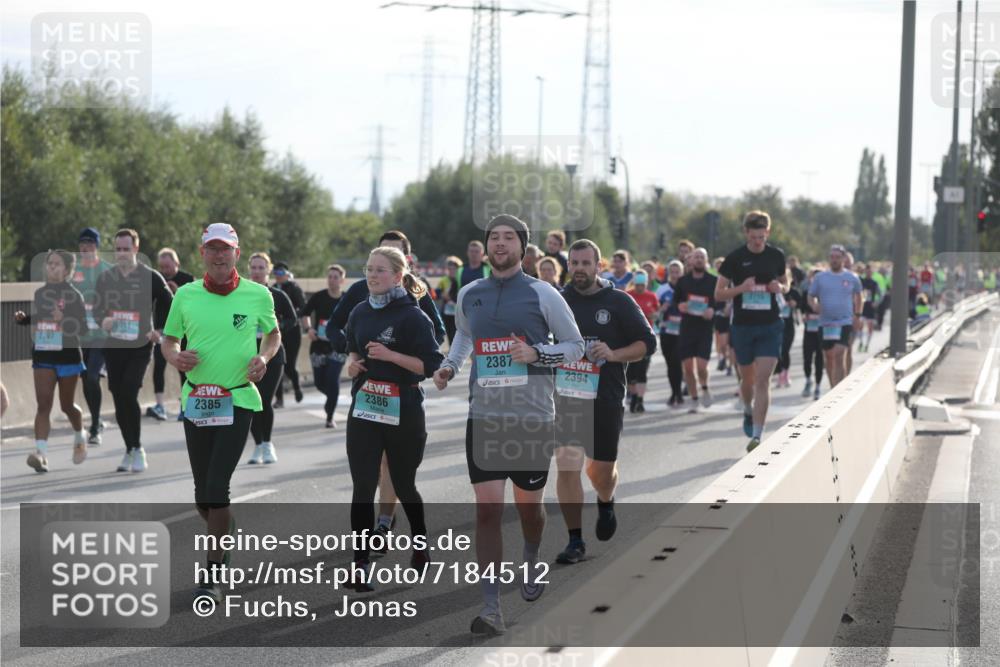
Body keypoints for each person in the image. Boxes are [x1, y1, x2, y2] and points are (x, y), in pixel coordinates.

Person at [433, 214, 584, 636]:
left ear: (523, 247)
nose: (500, 244)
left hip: (533, 417)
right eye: (494, 238)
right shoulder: (469, 292)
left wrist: (538, 355)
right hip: (484, 416)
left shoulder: (544, 294)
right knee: (487, 511)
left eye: (508, 238)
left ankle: (532, 557)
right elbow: (463, 335)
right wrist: (449, 366)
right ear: (486, 246)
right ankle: (491, 607)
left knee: (529, 509)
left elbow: (575, 347)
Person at [162, 223, 280, 602]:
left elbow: (274, 333)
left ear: (236, 253)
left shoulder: (258, 294)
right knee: (202, 494)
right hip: (196, 399)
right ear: (202, 254)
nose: (218, 255)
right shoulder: (186, 295)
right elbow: (168, 339)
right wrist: (174, 356)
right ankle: (223, 525)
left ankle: (211, 575)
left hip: (238, 399)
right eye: (212, 249)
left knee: (217, 486)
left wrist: (263, 356)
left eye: (224, 249)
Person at [328, 230, 445, 543]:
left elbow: (436, 343)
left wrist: (393, 354)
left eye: (383, 267)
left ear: (402, 268)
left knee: (397, 474)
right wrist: (353, 359)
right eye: (370, 267)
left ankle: (393, 524)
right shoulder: (359, 300)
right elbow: (340, 329)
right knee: (366, 479)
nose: (373, 274)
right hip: (366, 400)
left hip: (403, 401)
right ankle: (363, 555)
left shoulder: (415, 304)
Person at [554, 239, 655, 564]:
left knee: (600, 472)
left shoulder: (618, 302)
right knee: (567, 464)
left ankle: (606, 500)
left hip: (606, 396)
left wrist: (613, 354)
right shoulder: (556, 300)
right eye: (575, 263)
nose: (579, 269)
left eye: (586, 263)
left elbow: (647, 343)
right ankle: (575, 540)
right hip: (566, 396)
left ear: (599, 266)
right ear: (568, 265)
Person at [92, 228, 173, 473]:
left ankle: (138, 449)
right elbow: (97, 308)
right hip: (115, 345)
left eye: (126, 249)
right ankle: (129, 449)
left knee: (128, 391)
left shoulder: (150, 276)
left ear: (136, 249)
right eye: (118, 249)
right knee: (118, 397)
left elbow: (170, 302)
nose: (122, 254)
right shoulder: (107, 278)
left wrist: (160, 330)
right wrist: (102, 320)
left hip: (140, 346)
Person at [714, 211, 788, 453]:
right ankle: (747, 407)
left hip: (770, 324)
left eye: (762, 236)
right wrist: (741, 289)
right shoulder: (735, 259)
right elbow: (718, 293)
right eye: (754, 236)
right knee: (747, 379)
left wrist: (781, 287)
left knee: (762, 379)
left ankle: (757, 435)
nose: (758, 241)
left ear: (768, 233)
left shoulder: (776, 255)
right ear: (746, 233)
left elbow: (786, 285)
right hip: (743, 326)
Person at [15, 250, 90, 472]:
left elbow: (83, 328)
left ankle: (79, 434)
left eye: (57, 264)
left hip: (67, 356)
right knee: (43, 405)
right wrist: (25, 319)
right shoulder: (40, 294)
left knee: (67, 406)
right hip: (43, 353)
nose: (52, 267)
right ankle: (41, 454)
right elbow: (42, 317)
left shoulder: (74, 295)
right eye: (49, 264)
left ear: (67, 270)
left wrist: (64, 319)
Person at [245, 253, 297, 464]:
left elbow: (292, 319)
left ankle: (267, 444)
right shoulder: (242, 295)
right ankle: (257, 446)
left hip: (273, 355)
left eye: (261, 268)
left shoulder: (277, 295)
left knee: (264, 400)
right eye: (254, 268)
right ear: (249, 270)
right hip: (247, 355)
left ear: (268, 270)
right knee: (250, 402)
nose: (257, 272)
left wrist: (274, 330)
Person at [72, 227, 114, 445]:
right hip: (81, 335)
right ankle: (96, 420)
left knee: (91, 376)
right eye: (82, 243)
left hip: (102, 334)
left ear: (97, 246)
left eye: (89, 243)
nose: (85, 247)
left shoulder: (108, 270)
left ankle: (95, 425)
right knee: (87, 380)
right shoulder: (73, 271)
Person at [149, 247, 195, 421]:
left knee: (183, 367)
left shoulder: (188, 280)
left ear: (176, 263)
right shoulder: (157, 280)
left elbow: (195, 305)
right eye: (161, 267)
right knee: (158, 365)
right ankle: (160, 405)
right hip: (162, 329)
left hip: (184, 331)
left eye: (167, 266)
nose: (165, 271)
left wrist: (176, 292)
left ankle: (185, 405)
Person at [808, 245, 862, 389]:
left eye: (837, 257)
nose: (834, 260)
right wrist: (814, 305)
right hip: (825, 323)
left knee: (839, 354)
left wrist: (857, 315)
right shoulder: (820, 277)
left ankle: (839, 390)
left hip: (844, 321)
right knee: (829, 357)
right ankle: (833, 388)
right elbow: (811, 295)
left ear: (843, 259)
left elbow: (858, 296)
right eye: (832, 257)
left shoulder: (852, 277)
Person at [672, 248, 718, 413]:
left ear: (706, 260)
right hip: (687, 328)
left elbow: (718, 300)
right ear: (691, 261)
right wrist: (680, 306)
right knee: (688, 369)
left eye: (702, 257)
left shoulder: (713, 280)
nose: (698, 260)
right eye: (696, 257)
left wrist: (712, 310)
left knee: (701, 366)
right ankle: (694, 398)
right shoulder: (683, 281)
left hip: (704, 329)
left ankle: (705, 387)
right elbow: (676, 300)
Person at [301, 264, 347, 428]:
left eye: (336, 277)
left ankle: (330, 416)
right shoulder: (319, 297)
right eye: (330, 276)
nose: (332, 280)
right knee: (320, 383)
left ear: (342, 280)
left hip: (338, 346)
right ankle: (332, 398)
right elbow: (305, 314)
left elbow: (356, 318)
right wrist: (309, 329)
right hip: (319, 345)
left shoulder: (346, 299)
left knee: (333, 380)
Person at [271, 261, 305, 407]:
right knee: (278, 364)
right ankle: (279, 399)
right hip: (276, 332)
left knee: (290, 365)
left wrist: (289, 318)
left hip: (292, 331)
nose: (278, 276)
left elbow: (303, 308)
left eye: (281, 273)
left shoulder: (294, 288)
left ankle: (297, 387)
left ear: (286, 274)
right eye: (276, 273)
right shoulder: (271, 289)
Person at [625, 270, 659, 413]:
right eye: (638, 285)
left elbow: (657, 312)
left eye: (642, 285)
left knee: (642, 370)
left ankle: (640, 399)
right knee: (630, 372)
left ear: (646, 283)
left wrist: (654, 315)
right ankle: (633, 396)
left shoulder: (651, 296)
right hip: (629, 337)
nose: (640, 287)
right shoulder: (628, 295)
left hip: (645, 337)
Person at [657, 260, 686, 406]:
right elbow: (655, 313)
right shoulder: (662, 289)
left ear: (682, 273)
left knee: (677, 361)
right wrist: (662, 308)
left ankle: (678, 393)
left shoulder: (686, 287)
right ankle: (674, 392)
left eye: (677, 272)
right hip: (666, 330)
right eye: (672, 272)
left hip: (682, 330)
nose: (675, 275)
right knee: (670, 364)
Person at [800, 268, 824, 400]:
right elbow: (802, 310)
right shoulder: (806, 293)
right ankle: (808, 380)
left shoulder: (827, 294)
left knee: (819, 360)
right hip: (809, 330)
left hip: (821, 332)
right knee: (807, 358)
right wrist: (805, 316)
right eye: (814, 278)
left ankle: (818, 387)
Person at [774, 272, 798, 389]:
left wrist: (794, 304)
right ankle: (779, 375)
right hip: (776, 325)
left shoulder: (793, 292)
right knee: (777, 351)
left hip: (788, 325)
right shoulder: (774, 291)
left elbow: (801, 305)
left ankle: (786, 374)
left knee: (785, 350)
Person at [437, 256, 463, 344]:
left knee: (460, 335)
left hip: (460, 311)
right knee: (450, 335)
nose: (452, 271)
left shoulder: (462, 279)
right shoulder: (443, 280)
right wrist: (442, 295)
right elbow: (436, 294)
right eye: (449, 269)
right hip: (447, 312)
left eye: (454, 269)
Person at [858, 264, 880, 353]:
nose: (868, 273)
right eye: (867, 271)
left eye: (870, 271)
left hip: (870, 307)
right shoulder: (861, 281)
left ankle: (867, 344)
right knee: (860, 325)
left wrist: (876, 303)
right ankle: (860, 342)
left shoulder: (874, 283)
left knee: (870, 327)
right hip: (862, 306)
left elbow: (881, 294)